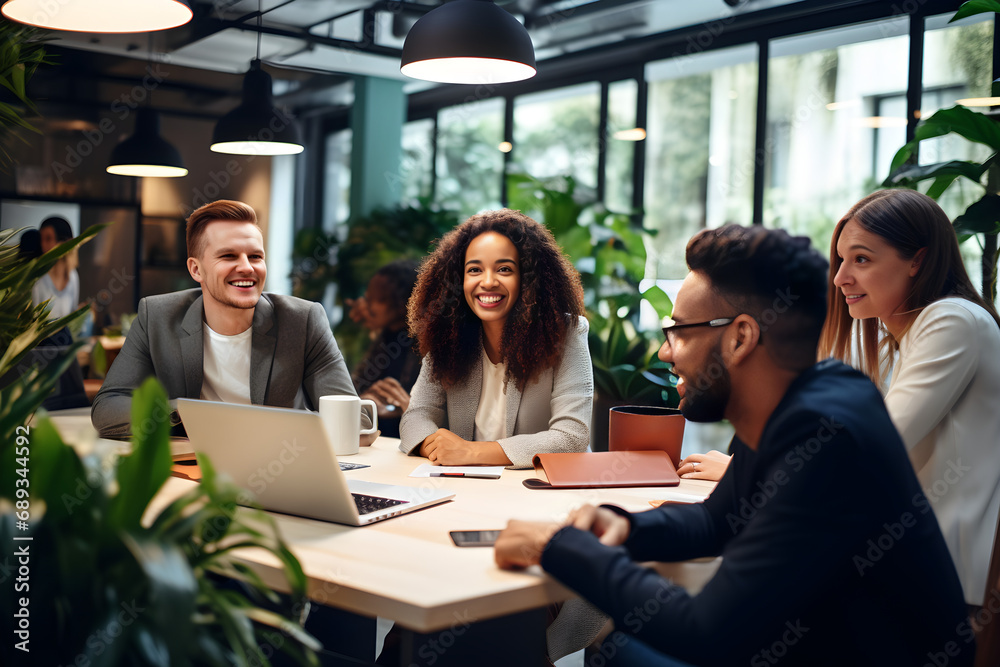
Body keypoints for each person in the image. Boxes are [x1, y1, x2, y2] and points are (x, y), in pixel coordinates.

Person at [494, 224, 974, 666]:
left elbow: (708, 631)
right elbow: (714, 519)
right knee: (619, 648)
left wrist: (559, 546)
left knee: (619, 651)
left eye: (677, 332)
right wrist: (621, 525)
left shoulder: (824, 436)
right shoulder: (807, 398)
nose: (665, 353)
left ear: (741, 336)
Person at [819, 188, 1000, 606]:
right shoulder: (904, 338)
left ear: (917, 260)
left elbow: (876, 446)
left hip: (946, 579)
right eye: (842, 260)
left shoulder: (951, 320)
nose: (840, 277)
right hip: (918, 565)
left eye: (861, 259)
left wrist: (752, 476)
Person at [92, 200, 368, 439]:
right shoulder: (157, 316)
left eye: (255, 256)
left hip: (279, 467)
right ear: (196, 269)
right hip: (194, 467)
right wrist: (186, 414)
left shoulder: (303, 321)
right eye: (228, 256)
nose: (247, 267)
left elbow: (356, 421)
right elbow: (108, 408)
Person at [399, 209, 592, 468]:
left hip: (540, 491)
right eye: (474, 270)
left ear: (529, 279)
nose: (487, 282)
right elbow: (416, 416)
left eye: (504, 269)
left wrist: (470, 453)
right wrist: (435, 445)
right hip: (467, 491)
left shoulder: (567, 332)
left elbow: (572, 438)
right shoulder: (448, 334)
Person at [349, 259, 422, 438]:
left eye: (378, 300)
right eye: (368, 298)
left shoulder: (425, 347)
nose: (367, 306)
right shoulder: (381, 339)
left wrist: (405, 406)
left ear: (403, 303)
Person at [32, 216, 80, 320]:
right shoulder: (38, 278)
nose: (43, 245)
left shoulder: (73, 276)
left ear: (66, 243)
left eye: (48, 239)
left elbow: (71, 317)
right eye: (42, 239)